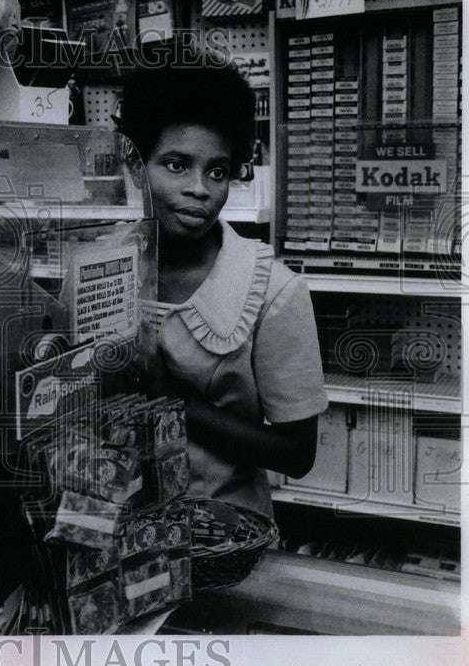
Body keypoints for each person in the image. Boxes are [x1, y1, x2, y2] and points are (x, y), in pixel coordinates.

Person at [118, 52, 328, 517]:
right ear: (135, 166)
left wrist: (174, 404)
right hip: (114, 533)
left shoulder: (273, 290)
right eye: (176, 165)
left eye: (216, 171)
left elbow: (297, 453)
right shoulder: (103, 267)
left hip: (223, 536)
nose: (200, 188)